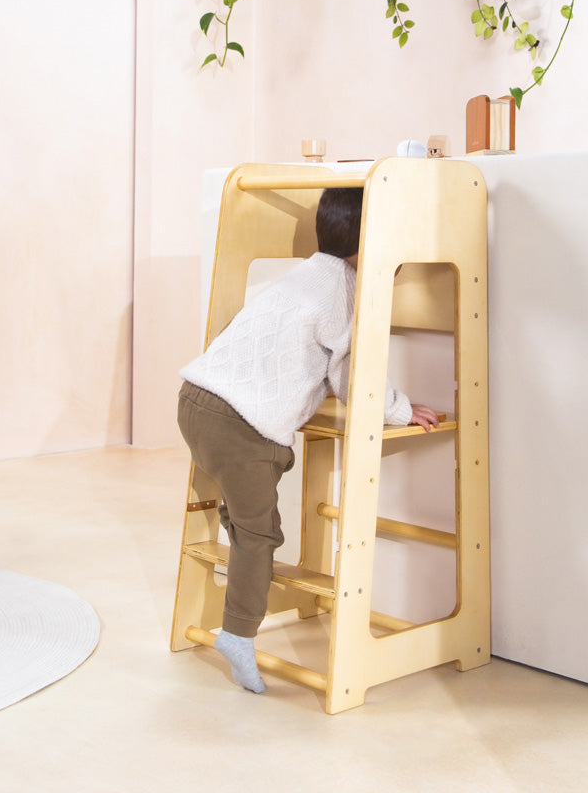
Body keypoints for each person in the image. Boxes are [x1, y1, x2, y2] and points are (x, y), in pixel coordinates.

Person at [177, 186, 439, 694]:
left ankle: (241, 550)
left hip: (196, 400)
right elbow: (352, 374)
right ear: (372, 243)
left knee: (246, 513)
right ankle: (237, 634)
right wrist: (400, 410)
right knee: (260, 536)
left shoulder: (304, 276)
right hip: (237, 422)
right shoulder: (344, 291)